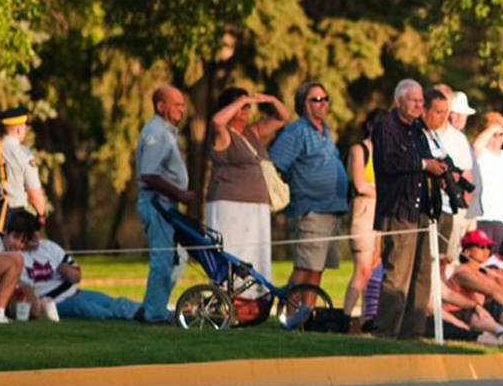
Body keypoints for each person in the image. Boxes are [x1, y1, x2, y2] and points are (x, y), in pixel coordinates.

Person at [371, 78, 441, 340]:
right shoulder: (386, 127)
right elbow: (388, 161)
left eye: (421, 102)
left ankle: (413, 332)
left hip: (422, 209)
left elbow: (429, 158)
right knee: (397, 274)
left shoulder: (418, 130)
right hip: (399, 210)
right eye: (414, 101)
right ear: (398, 101)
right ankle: (386, 332)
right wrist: (424, 164)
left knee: (422, 274)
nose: (418, 106)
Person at [269, 81, 349, 309]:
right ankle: (289, 313)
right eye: (316, 99)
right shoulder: (296, 131)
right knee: (305, 266)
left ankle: (306, 315)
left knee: (317, 267)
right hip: (311, 208)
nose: (322, 103)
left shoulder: (325, 130)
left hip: (331, 208)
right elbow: (275, 164)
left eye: (325, 98)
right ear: (303, 104)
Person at [205, 88, 289, 280]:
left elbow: (283, 118)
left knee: (256, 256)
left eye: (247, 108)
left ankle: (254, 300)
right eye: (241, 108)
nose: (244, 112)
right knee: (234, 254)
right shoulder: (223, 134)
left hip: (257, 205)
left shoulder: (253, 131)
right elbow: (217, 121)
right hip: (230, 204)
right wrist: (241, 100)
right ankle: (232, 297)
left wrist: (271, 98)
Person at [1, 210, 142, 321]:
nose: (37, 236)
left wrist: (65, 270)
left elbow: (77, 276)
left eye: (38, 231)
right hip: (53, 303)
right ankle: (130, 318)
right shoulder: (17, 257)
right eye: (32, 233)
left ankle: (149, 312)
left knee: (112, 302)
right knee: (89, 310)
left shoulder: (48, 247)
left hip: (74, 292)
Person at [135, 85, 197, 324]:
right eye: (177, 104)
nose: (182, 109)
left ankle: (152, 307)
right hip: (157, 202)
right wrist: (179, 193)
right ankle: (154, 314)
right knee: (164, 258)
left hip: (166, 203)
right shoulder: (156, 132)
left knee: (177, 256)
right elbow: (149, 174)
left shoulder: (166, 131)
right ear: (161, 106)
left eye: (182, 104)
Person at [423, 88, 476, 262]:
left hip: (450, 206)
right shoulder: (422, 134)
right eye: (439, 112)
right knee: (427, 260)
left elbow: (467, 175)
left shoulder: (458, 138)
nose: (444, 116)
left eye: (446, 112)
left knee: (446, 260)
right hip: (428, 206)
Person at [0, 106, 48, 217]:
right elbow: (34, 194)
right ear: (19, 129)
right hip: (13, 216)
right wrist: (41, 215)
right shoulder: (24, 154)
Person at [470, 113, 503, 249]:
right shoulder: (481, 155)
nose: (496, 139)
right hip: (484, 219)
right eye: (493, 134)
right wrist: (493, 128)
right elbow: (476, 146)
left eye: (499, 135)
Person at [345, 127, 379, 318]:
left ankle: (367, 317)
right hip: (364, 211)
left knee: (374, 266)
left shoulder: (386, 150)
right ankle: (346, 316)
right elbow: (360, 184)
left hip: (380, 212)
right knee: (362, 269)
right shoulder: (360, 149)